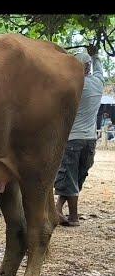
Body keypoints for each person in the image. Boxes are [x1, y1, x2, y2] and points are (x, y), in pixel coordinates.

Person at [54, 46, 104, 227]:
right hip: (90, 140)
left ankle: (71, 215)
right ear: (88, 67)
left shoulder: (69, 86)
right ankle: (59, 209)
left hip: (72, 138)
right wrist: (95, 54)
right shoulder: (98, 83)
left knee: (69, 177)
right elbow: (99, 69)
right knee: (76, 177)